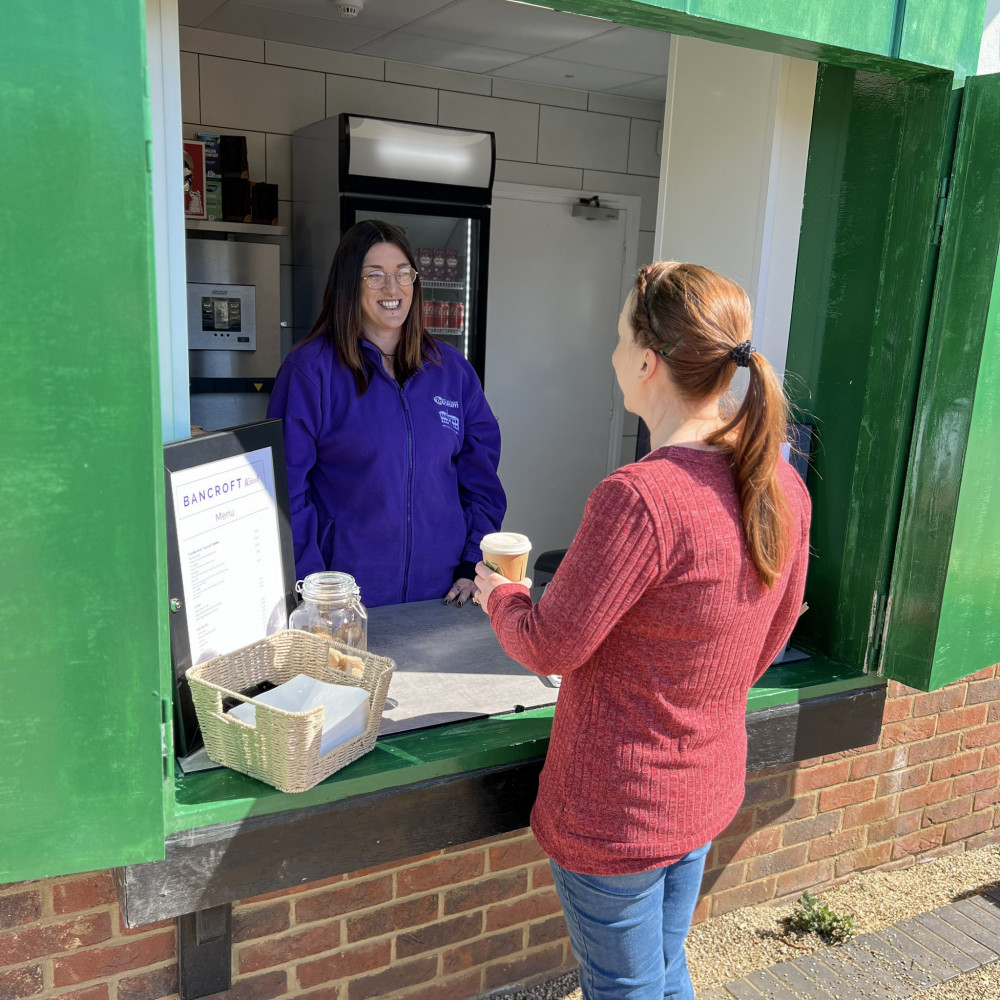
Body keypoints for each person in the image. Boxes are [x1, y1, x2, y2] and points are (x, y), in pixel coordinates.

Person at [475, 261, 812, 1000]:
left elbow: (550, 645)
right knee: (661, 971)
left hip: (619, 810)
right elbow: (774, 632)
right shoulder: (782, 483)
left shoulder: (641, 499)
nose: (611, 355)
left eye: (619, 337)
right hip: (703, 789)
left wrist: (501, 597)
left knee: (625, 989)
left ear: (647, 361)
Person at [267, 219, 505, 608]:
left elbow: (482, 479)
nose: (393, 289)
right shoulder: (310, 372)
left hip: (443, 597)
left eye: (402, 274)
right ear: (349, 284)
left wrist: (472, 561)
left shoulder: (452, 371)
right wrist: (315, 589)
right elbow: (285, 492)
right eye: (375, 276)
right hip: (347, 604)